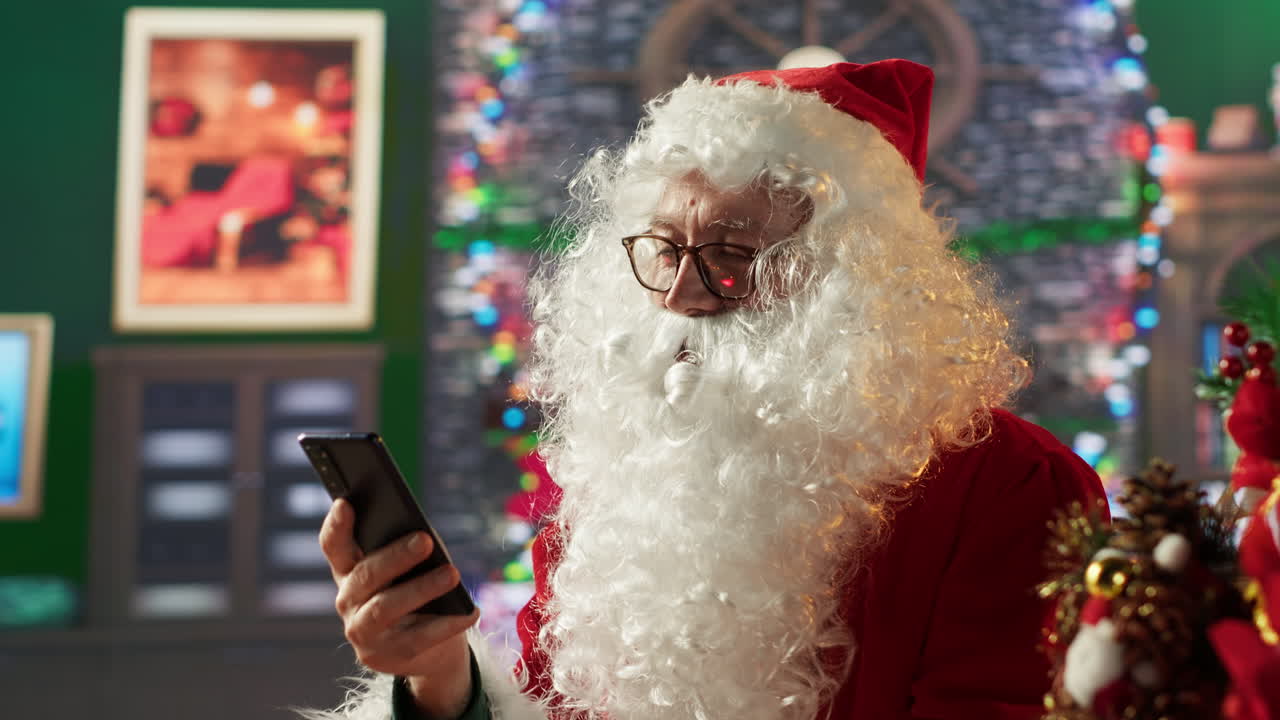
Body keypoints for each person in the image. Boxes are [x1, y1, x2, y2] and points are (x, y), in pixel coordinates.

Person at [309, 60, 1106, 720]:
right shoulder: (634, 463)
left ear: (853, 286)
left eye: (731, 255)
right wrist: (439, 674)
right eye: (664, 249)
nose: (684, 297)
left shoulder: (1012, 487)